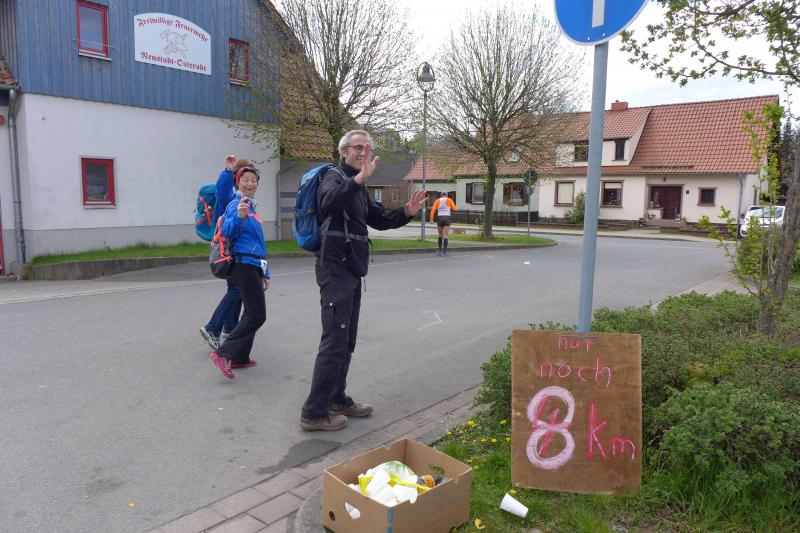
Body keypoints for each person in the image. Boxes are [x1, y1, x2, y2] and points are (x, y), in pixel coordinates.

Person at [300, 130, 426, 431]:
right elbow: (329, 203)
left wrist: (406, 212)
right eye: (358, 147)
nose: (363, 152)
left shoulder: (357, 187)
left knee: (347, 339)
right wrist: (358, 180)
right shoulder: (333, 177)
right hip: (334, 269)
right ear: (344, 151)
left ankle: (337, 399)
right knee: (334, 339)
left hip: (352, 269)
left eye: (368, 148)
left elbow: (378, 217)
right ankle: (313, 413)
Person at [210, 164, 270, 379]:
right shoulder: (236, 204)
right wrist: (239, 216)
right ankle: (223, 353)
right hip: (242, 264)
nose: (250, 183)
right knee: (257, 314)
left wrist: (265, 273)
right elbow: (226, 231)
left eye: (253, 180)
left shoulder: (251, 207)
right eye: (246, 180)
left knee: (250, 312)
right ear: (238, 183)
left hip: (253, 265)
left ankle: (239, 357)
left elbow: (259, 244)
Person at [199, 155, 243, 350]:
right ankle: (212, 328)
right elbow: (223, 190)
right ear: (238, 177)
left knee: (236, 289)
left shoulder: (239, 194)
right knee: (237, 289)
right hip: (229, 249)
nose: (250, 181)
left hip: (234, 249)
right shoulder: (230, 192)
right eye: (246, 176)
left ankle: (230, 326)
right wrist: (228, 170)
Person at [429, 191, 458, 256]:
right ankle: (444, 252)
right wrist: (450, 207)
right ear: (447, 195)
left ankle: (440, 251)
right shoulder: (449, 200)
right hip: (447, 218)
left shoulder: (437, 200)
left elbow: (433, 209)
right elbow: (455, 209)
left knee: (440, 235)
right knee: (445, 235)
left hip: (440, 218)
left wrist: (431, 219)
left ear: (441, 195)